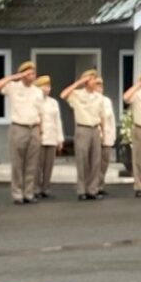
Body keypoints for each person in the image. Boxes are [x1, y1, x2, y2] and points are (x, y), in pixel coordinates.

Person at [0, 61, 43, 203]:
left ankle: (29, 193)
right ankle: (17, 194)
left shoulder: (37, 91)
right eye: (29, 73)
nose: (32, 76)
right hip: (18, 127)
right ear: (22, 74)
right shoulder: (13, 87)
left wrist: (40, 130)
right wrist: (14, 77)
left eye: (33, 73)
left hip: (34, 128)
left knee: (31, 163)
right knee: (17, 163)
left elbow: (40, 112)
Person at [62, 71, 114, 199]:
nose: (95, 82)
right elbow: (63, 95)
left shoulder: (99, 97)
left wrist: (102, 132)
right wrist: (78, 83)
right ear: (86, 81)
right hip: (83, 129)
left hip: (95, 129)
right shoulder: (77, 94)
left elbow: (102, 116)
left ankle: (93, 190)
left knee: (95, 161)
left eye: (95, 79)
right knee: (82, 161)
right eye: (92, 79)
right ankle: (82, 190)